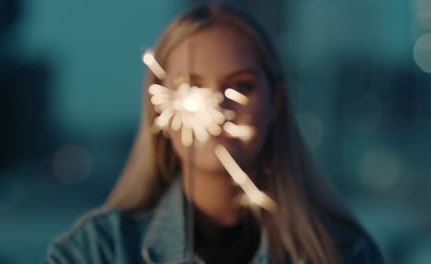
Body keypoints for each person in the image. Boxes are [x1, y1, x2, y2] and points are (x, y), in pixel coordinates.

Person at [45, 3, 384, 264]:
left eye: (241, 85)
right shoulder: (94, 252)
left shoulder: (343, 252)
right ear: (159, 105)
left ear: (276, 103)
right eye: (191, 86)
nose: (217, 107)